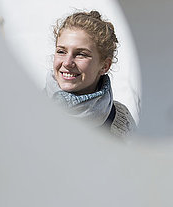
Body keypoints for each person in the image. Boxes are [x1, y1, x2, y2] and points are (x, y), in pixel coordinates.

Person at [44, 10, 135, 139]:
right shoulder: (29, 109)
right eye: (61, 51)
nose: (67, 62)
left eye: (81, 54)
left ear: (105, 66)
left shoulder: (120, 121)